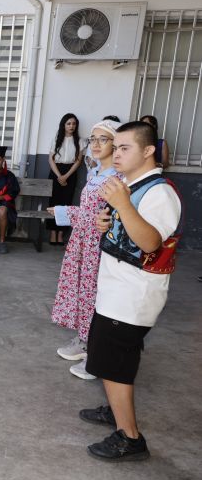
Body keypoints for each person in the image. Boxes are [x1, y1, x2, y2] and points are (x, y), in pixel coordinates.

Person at [79, 121, 181, 462]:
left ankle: (130, 437)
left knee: (114, 365)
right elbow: (128, 231)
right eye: (116, 146)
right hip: (115, 290)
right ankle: (115, 410)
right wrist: (106, 223)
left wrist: (122, 206)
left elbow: (151, 241)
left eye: (125, 148)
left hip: (132, 296)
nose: (116, 153)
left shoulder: (160, 192)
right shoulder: (132, 186)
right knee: (107, 358)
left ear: (148, 150)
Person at [48, 120, 122, 379]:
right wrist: (64, 212)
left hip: (99, 246)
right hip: (83, 243)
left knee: (96, 295)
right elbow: (89, 211)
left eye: (103, 139)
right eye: (93, 139)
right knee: (83, 291)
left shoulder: (118, 178)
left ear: (116, 144)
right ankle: (84, 340)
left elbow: (106, 217)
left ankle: (97, 355)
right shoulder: (96, 173)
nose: (96, 144)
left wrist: (65, 212)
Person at [46, 113, 84, 245]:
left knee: (66, 203)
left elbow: (78, 161)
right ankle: (53, 232)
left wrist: (66, 176)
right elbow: (51, 159)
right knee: (54, 202)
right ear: (63, 125)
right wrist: (59, 176)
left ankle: (61, 233)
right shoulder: (56, 139)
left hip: (71, 173)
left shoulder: (79, 141)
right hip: (56, 172)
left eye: (74, 124)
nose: (71, 126)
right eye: (68, 123)